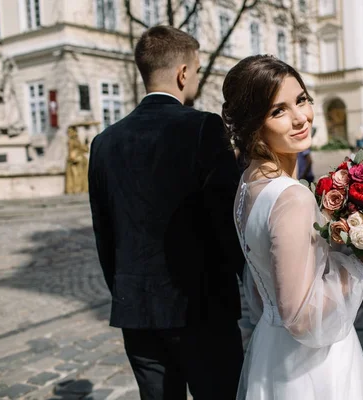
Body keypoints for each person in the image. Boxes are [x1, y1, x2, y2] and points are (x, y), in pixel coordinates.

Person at [88, 26, 245, 400]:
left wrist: (126, 291)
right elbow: (229, 218)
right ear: (183, 73)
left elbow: (104, 233)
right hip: (202, 308)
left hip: (137, 310)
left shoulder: (104, 142)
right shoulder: (204, 127)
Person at [222, 55, 363, 400]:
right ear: (252, 123)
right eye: (278, 111)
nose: (300, 118)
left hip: (270, 348)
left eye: (301, 100)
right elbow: (301, 319)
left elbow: (263, 291)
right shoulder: (292, 197)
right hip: (309, 367)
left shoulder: (248, 185)